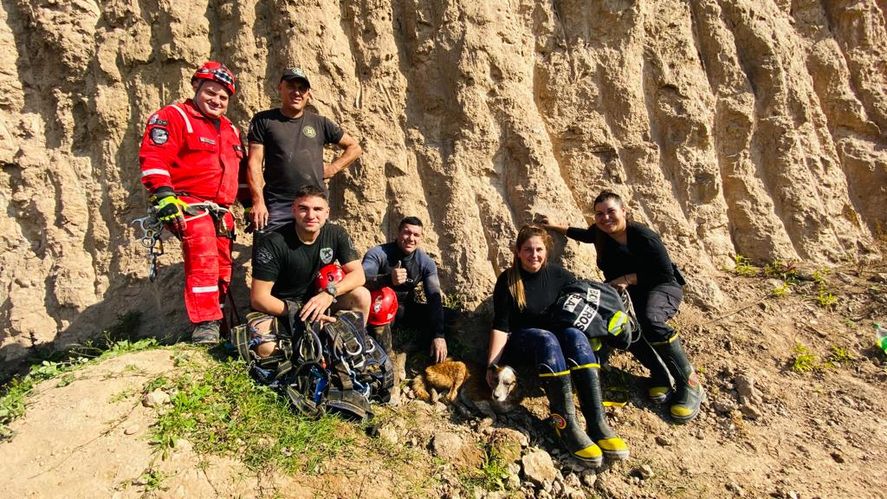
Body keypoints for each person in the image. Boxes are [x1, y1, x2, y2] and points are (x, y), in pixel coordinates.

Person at [541, 190, 705, 423]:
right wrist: (556, 226)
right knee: (625, 327)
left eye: (611, 212)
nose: (605, 218)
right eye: (599, 214)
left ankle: (690, 384)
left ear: (624, 211)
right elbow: (584, 235)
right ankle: (660, 375)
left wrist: (628, 278)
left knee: (651, 321)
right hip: (631, 290)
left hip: (661, 285)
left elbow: (664, 272)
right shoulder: (600, 232)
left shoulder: (643, 236)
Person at [486, 225, 629, 466]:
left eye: (539, 249)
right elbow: (500, 326)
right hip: (524, 342)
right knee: (547, 337)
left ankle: (596, 422)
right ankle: (566, 425)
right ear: (518, 252)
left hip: (555, 347)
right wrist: (492, 365)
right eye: (528, 250)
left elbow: (582, 305)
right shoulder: (508, 281)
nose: (534, 255)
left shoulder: (560, 277)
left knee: (574, 334)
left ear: (546, 251)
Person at [138, 61, 245, 344]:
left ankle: (221, 328)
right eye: (211, 92)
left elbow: (238, 174)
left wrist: (250, 204)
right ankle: (205, 326)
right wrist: (164, 197)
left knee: (223, 268)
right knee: (204, 256)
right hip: (188, 204)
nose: (217, 100)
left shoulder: (230, 130)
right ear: (196, 87)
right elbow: (154, 159)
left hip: (220, 212)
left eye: (223, 97)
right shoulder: (173, 117)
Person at [249, 185, 370, 357]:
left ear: (327, 212)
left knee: (361, 295)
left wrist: (330, 293)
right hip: (283, 308)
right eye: (303, 209)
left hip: (321, 302)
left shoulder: (336, 234)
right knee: (265, 348)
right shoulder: (272, 242)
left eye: (318, 209)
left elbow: (358, 275)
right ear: (294, 210)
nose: (311, 215)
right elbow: (259, 298)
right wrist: (302, 314)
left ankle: (353, 351)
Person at [247, 67, 362, 232]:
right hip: (277, 205)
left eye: (302, 88)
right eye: (291, 86)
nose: (297, 92)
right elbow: (254, 164)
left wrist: (332, 168)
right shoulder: (263, 120)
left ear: (308, 94)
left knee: (311, 256)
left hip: (313, 205)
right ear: (280, 87)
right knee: (270, 253)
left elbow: (354, 148)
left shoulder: (320, 123)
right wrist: (258, 202)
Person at [362, 217, 448, 362]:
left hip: (404, 309)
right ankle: (382, 358)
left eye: (416, 235)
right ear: (398, 233)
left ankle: (416, 352)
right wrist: (388, 279)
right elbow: (362, 280)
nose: (411, 238)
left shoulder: (425, 262)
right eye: (407, 233)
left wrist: (439, 335)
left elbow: (434, 298)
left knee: (449, 317)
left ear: (421, 238)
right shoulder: (378, 253)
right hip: (377, 308)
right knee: (384, 302)